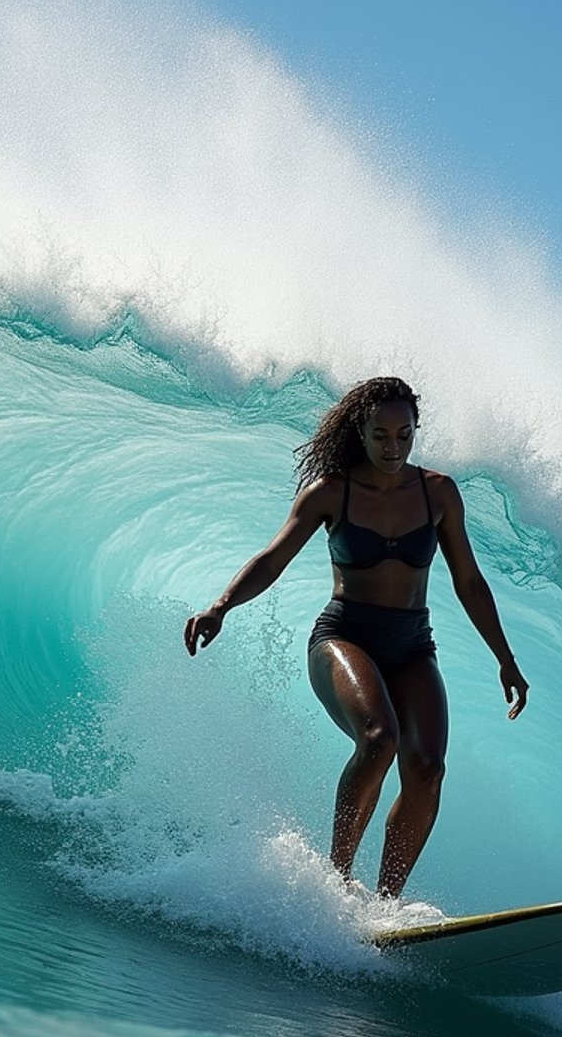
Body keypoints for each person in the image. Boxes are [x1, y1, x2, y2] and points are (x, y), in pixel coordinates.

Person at [184, 377, 529, 897]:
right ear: (361, 432)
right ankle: (335, 884)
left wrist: (505, 658)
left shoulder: (437, 492)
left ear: (416, 431)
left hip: (413, 645)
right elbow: (273, 558)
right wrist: (221, 606)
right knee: (378, 739)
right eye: (381, 435)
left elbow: (470, 582)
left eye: (404, 435)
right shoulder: (331, 493)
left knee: (428, 767)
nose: (393, 447)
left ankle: (385, 905)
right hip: (344, 637)